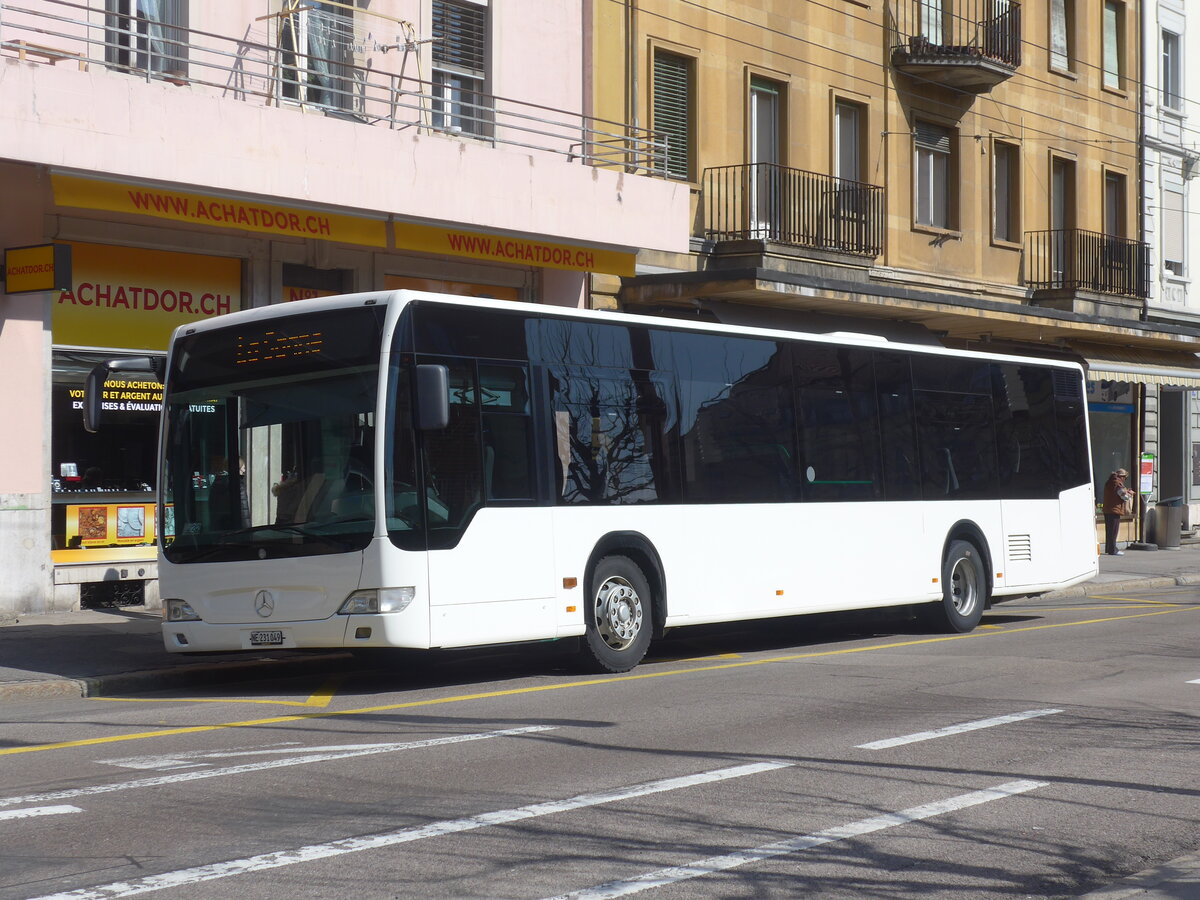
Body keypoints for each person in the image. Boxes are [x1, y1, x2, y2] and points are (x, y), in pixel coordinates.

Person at [1102, 468, 1132, 556]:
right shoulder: (1118, 483)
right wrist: (1129, 494)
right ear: (1121, 477)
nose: (1124, 480)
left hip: (1107, 509)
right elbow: (1124, 496)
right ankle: (1113, 550)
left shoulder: (1109, 482)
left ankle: (1109, 548)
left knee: (1109, 530)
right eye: (1124, 478)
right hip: (1115, 509)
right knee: (1114, 531)